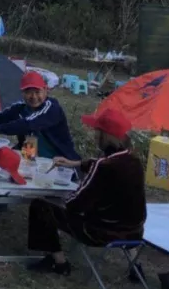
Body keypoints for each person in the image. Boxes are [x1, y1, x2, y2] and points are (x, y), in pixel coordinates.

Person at [26, 107, 146, 275]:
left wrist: (56, 196)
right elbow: (100, 162)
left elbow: (76, 204)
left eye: (96, 131)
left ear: (103, 135)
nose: (94, 135)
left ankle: (58, 263)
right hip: (134, 233)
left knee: (41, 205)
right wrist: (74, 163)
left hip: (101, 233)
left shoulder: (103, 167)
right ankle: (135, 266)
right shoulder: (134, 162)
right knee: (123, 209)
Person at [0, 72, 80, 162]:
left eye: (37, 92)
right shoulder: (21, 107)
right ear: (22, 93)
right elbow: (1, 116)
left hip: (60, 163)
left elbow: (28, 124)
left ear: (46, 90)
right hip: (32, 156)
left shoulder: (52, 108)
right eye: (28, 92)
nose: (33, 97)